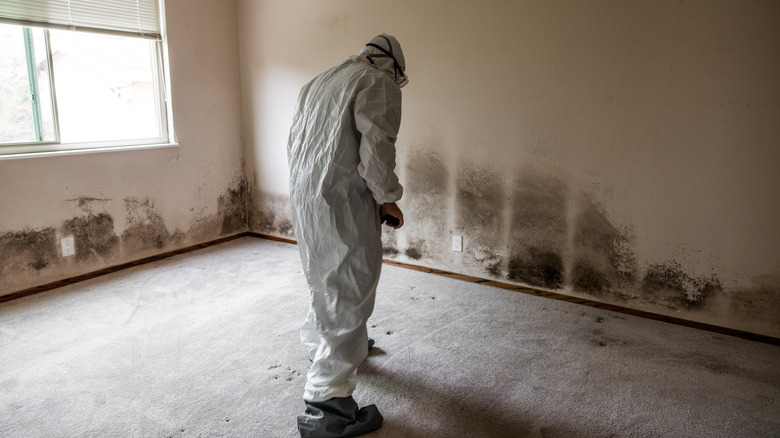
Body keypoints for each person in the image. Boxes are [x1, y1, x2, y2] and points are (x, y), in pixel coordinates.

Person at [287, 34, 408, 438]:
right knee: (352, 284)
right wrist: (387, 199)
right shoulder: (377, 82)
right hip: (342, 199)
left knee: (324, 278)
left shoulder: (320, 81)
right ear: (392, 65)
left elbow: (298, 142)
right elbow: (377, 149)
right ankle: (327, 404)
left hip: (307, 196)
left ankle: (328, 344)